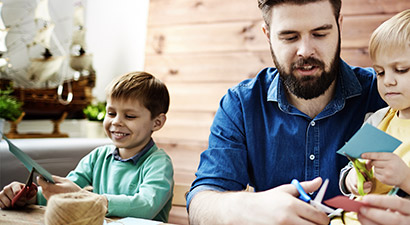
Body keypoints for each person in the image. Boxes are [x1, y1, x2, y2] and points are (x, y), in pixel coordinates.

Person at [187, 0, 387, 224]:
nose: (305, 51)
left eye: (320, 34)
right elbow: (200, 205)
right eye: (290, 37)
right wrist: (248, 207)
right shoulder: (241, 104)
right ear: (267, 34)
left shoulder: (388, 93)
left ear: (339, 25)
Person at [0, 71, 174, 222]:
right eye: (111, 113)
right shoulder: (97, 156)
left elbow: (146, 206)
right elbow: (67, 191)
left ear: (157, 122)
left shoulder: (158, 163)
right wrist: (28, 197)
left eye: (129, 116)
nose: (116, 122)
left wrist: (89, 199)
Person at [334, 9, 410, 224]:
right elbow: (352, 164)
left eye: (401, 70)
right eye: (380, 72)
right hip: (348, 217)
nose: (388, 81)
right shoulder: (378, 120)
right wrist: (352, 179)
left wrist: (406, 179)